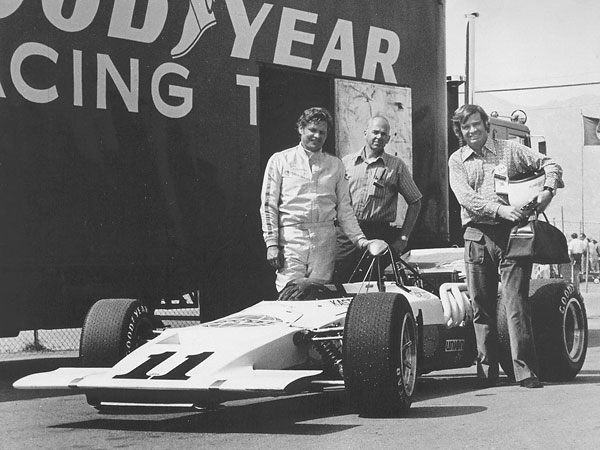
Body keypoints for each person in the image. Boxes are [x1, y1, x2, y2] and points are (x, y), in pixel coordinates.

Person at [448, 104, 564, 389]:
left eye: (476, 124)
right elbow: (466, 199)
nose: (472, 130)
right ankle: (486, 373)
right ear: (460, 132)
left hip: (513, 236)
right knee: (481, 306)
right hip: (476, 235)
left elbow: (551, 164)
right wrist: (500, 211)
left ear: (487, 125)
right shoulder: (457, 160)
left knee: (516, 302)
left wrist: (547, 191)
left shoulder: (509, 151)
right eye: (466, 127)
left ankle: (525, 371)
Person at [260, 107, 386, 292]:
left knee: (319, 294)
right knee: (290, 293)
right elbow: (268, 205)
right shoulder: (280, 161)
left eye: (322, 132)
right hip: (292, 239)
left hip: (324, 242)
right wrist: (271, 243)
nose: (317, 136)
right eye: (312, 130)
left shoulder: (335, 165)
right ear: (301, 129)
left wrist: (360, 240)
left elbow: (344, 210)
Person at [333, 116, 422, 283]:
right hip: (346, 235)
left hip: (377, 233)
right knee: (338, 282)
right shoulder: (346, 162)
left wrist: (403, 238)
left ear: (388, 139)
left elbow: (415, 201)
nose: (379, 137)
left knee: (371, 285)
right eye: (375, 132)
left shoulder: (396, 166)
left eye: (383, 134)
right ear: (365, 133)